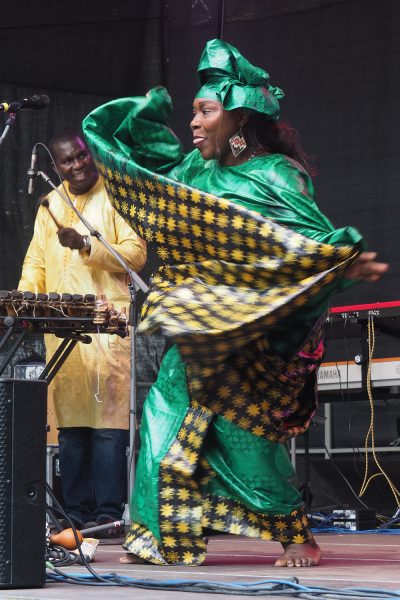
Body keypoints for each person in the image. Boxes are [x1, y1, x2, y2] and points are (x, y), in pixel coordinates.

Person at [82, 39, 388, 565]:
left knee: (243, 432)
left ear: (239, 119)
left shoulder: (276, 176)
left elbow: (306, 247)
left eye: (206, 111)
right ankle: (161, 533)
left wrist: (338, 263)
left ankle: (297, 536)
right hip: (204, 321)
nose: (194, 123)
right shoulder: (193, 173)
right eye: (193, 112)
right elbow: (155, 191)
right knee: (164, 411)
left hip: (259, 329)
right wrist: (128, 125)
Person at [19, 131, 147, 535]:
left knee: (108, 426)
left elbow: (136, 254)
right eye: (67, 162)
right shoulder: (51, 204)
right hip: (62, 328)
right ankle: (75, 513)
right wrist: (25, 302)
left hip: (107, 325)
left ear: (90, 153)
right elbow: (35, 262)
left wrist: (88, 243)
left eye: (81, 156)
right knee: (71, 427)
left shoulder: (115, 196)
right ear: (55, 168)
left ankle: (108, 514)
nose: (77, 166)